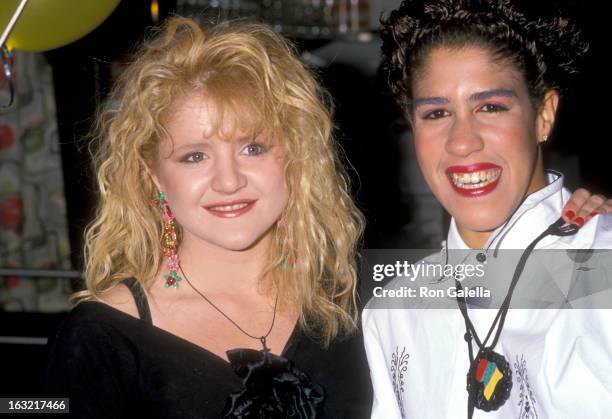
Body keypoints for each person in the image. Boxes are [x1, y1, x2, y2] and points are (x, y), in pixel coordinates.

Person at [44, 17, 372, 418]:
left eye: (252, 148)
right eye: (194, 156)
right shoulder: (100, 337)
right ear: (153, 177)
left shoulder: (352, 297)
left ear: (296, 157)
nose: (229, 181)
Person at [362, 0, 612, 418]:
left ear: (543, 116)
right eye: (437, 112)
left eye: (490, 107)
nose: (462, 141)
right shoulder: (392, 314)